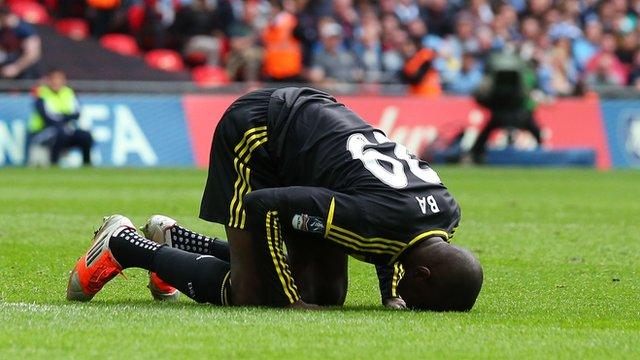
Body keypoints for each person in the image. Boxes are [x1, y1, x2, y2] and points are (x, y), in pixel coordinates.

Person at [67, 87, 483, 311]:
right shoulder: (372, 217)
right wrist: (289, 301)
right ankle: (126, 244)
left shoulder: (445, 214)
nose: (412, 306)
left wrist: (390, 292)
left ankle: (180, 241)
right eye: (419, 301)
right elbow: (263, 203)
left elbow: (404, 239)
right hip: (260, 131)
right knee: (255, 294)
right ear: (425, 275)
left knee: (328, 293)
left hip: (310, 139)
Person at [28, 69, 93, 166]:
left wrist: (61, 117)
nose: (56, 82)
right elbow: (48, 119)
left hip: (64, 129)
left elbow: (77, 114)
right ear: (48, 81)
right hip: (42, 131)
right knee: (60, 133)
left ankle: (87, 164)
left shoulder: (69, 93)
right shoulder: (41, 94)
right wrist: (66, 117)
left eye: (59, 79)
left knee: (85, 136)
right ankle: (54, 163)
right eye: (54, 79)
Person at [0, 5, 41, 79]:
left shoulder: (24, 29)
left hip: (26, 71)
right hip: (8, 67)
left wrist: (16, 68)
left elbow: (33, 54)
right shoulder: (3, 30)